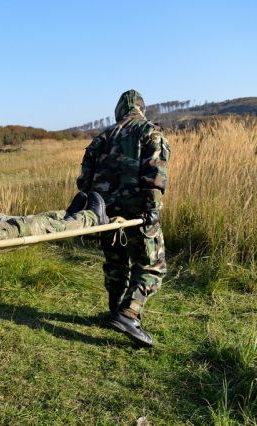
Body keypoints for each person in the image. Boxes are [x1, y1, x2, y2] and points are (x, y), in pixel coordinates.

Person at [76, 89, 171, 347]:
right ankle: (129, 314)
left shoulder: (102, 137)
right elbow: (155, 173)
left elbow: (84, 180)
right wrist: (152, 209)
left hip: (104, 212)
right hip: (137, 211)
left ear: (119, 110)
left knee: (116, 263)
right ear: (141, 108)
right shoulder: (150, 132)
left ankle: (114, 310)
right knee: (153, 265)